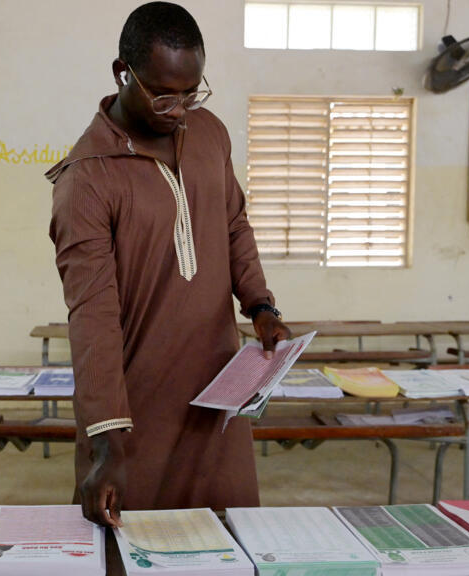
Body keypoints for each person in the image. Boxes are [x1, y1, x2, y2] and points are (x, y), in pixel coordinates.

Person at [46, 1, 290, 527]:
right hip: (138, 412)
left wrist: (260, 304)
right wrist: (108, 445)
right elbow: (92, 319)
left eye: (190, 92)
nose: (179, 109)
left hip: (217, 398)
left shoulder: (210, 135)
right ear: (122, 73)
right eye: (162, 93)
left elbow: (233, 225)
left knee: (230, 539)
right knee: (134, 547)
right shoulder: (86, 178)